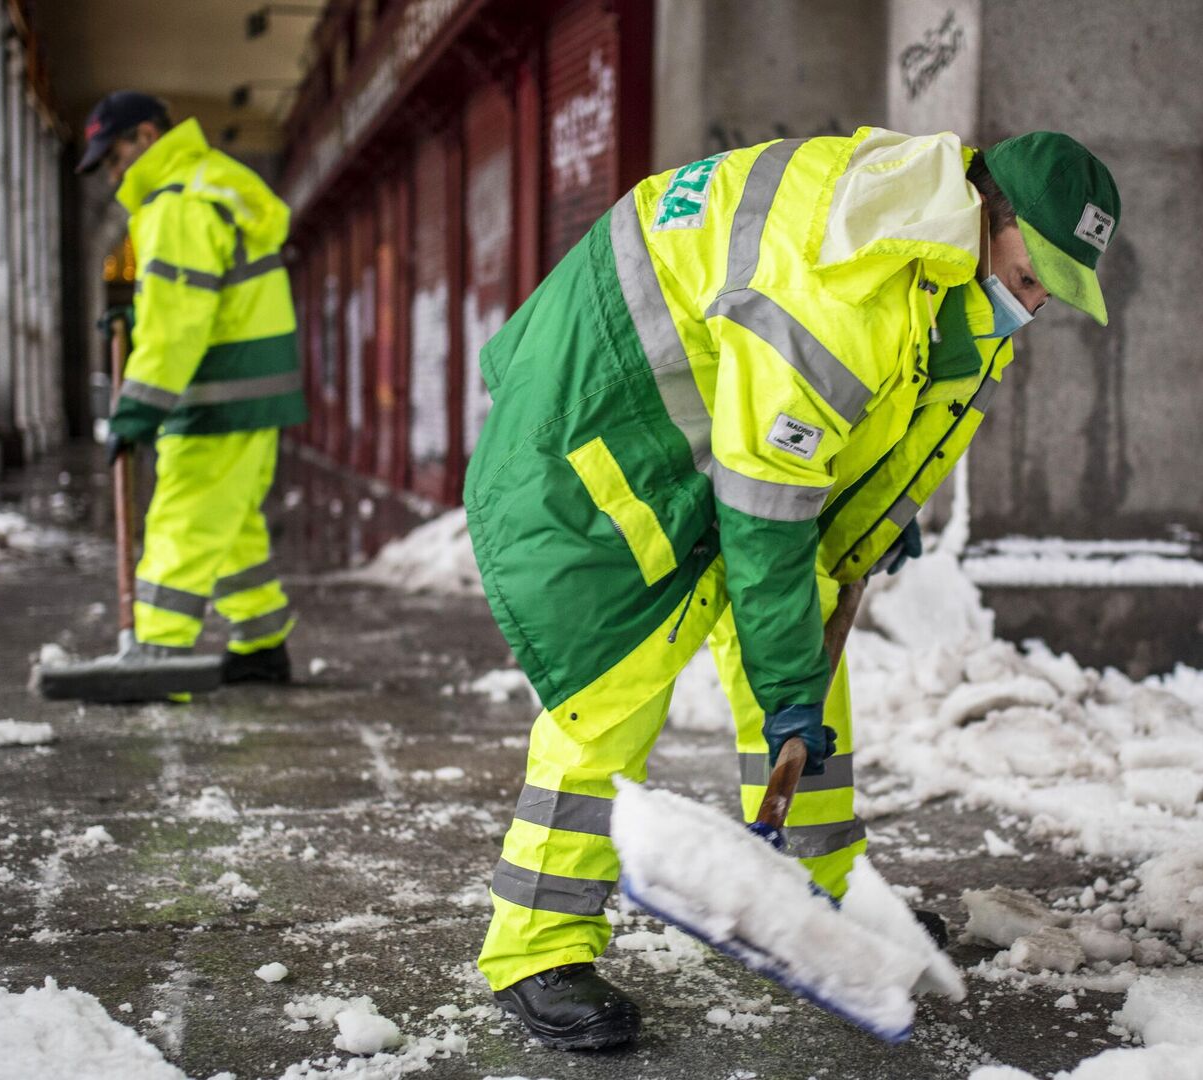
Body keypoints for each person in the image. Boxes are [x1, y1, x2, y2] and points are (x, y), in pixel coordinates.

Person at [466, 127, 1120, 1049]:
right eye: (1031, 270)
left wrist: (880, 507)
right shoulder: (843, 280)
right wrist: (785, 695)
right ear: (984, 214)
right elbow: (767, 518)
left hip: (711, 425)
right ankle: (537, 944)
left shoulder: (938, 262)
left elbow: (878, 413)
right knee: (615, 680)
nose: (1037, 298)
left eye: (1055, 283)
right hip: (595, 428)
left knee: (804, 628)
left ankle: (824, 888)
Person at [76, 91, 307, 688]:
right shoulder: (213, 184)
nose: (111, 172)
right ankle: (261, 642)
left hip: (214, 397)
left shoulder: (177, 204)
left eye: (113, 155)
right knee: (229, 524)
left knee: (183, 522)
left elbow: (179, 326)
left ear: (146, 138)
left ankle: (156, 655)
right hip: (246, 396)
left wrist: (134, 411)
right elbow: (190, 306)